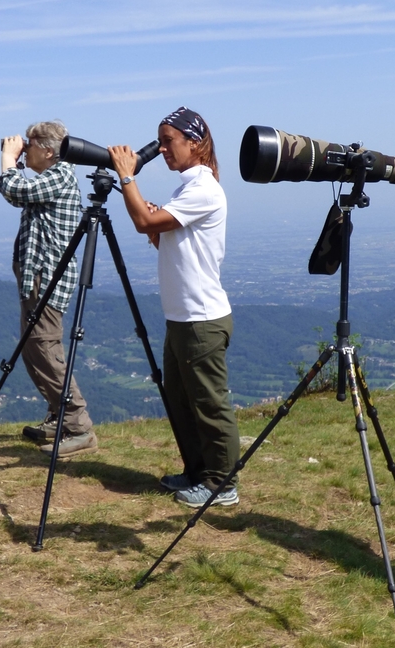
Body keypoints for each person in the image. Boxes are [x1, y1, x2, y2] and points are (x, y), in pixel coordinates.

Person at [108, 107, 241, 508]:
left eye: (168, 141)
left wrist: (127, 177)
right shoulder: (186, 189)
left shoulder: (203, 189)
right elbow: (167, 241)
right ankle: (198, 473)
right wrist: (155, 224)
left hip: (201, 318)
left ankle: (222, 484)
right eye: (161, 142)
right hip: (183, 316)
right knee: (181, 402)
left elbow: (144, 225)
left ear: (194, 143)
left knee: (209, 403)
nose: (163, 149)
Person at [0, 121, 98, 457]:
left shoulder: (61, 174)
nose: (25, 149)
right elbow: (17, 195)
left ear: (49, 150)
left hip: (47, 279)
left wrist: (8, 159)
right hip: (35, 278)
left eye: (30, 144)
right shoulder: (50, 177)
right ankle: (59, 415)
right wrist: (16, 162)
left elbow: (17, 190)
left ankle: (78, 425)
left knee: (43, 346)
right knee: (33, 349)